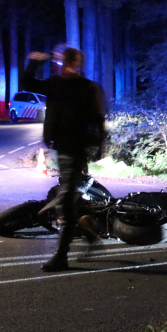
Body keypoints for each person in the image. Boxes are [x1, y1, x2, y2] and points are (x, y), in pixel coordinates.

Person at [23, 47, 105, 272]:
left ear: (78, 64)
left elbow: (98, 118)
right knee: (67, 200)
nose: (67, 65)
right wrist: (34, 62)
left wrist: (99, 146)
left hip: (78, 149)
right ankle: (89, 235)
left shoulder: (87, 87)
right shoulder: (55, 84)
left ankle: (61, 255)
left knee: (65, 201)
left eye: (72, 61)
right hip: (61, 148)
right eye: (64, 61)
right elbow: (27, 83)